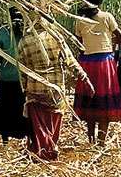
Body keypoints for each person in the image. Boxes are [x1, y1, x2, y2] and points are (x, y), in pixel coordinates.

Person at [16, 16, 91, 161]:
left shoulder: (24, 41)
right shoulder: (56, 37)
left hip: (35, 89)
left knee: (39, 125)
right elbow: (70, 61)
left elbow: (22, 70)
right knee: (53, 122)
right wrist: (85, 78)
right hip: (56, 88)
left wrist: (24, 88)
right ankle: (50, 149)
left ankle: (43, 151)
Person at [72, 0, 121, 144]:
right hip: (104, 63)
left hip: (87, 63)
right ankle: (101, 141)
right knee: (104, 101)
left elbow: (79, 44)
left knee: (90, 99)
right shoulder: (107, 17)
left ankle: (91, 139)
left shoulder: (80, 20)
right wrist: (108, 43)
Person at [0, 8, 31, 144]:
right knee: (22, 108)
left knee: (5, 109)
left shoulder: (3, 32)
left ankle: (5, 140)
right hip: (23, 80)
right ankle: (25, 138)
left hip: (6, 79)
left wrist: (0, 68)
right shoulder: (28, 32)